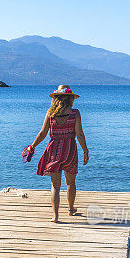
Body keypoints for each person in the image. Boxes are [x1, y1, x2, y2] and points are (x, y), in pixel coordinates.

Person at [29, 84, 89, 222]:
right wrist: (85, 150)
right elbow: (79, 133)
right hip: (70, 150)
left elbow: (43, 133)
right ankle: (71, 209)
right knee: (70, 183)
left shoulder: (50, 113)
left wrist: (32, 146)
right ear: (70, 99)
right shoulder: (75, 113)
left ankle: (55, 215)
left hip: (54, 150)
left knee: (55, 185)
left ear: (56, 99)